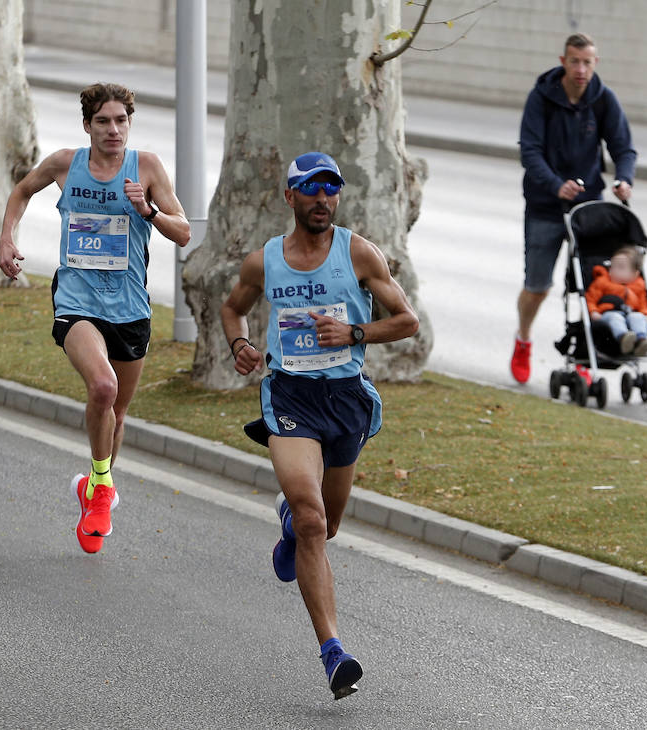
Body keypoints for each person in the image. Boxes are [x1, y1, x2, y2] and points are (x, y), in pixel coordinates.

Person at [220, 151, 419, 700]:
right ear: (290, 197)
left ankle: (292, 526)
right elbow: (232, 307)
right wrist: (240, 344)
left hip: (346, 399)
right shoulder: (264, 262)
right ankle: (334, 651)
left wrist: (353, 334)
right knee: (313, 521)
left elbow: (407, 321)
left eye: (331, 189)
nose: (323, 199)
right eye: (311, 189)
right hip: (290, 398)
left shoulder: (358, 253)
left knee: (325, 526)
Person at [0, 83, 191, 554]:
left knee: (118, 413)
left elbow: (183, 231)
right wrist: (6, 238)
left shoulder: (146, 168)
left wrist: (147, 210)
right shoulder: (66, 164)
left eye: (121, 120)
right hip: (77, 304)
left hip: (130, 308)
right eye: (103, 121)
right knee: (102, 389)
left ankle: (93, 487)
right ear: (87, 125)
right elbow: (22, 191)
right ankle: (102, 487)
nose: (113, 129)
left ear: (130, 124)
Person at [511, 32, 637, 383]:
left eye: (588, 62)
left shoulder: (603, 100)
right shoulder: (542, 98)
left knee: (589, 285)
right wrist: (556, 185)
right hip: (545, 205)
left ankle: (583, 354)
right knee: (537, 285)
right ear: (563, 61)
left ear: (595, 63)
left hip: (589, 210)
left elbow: (623, 148)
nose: (581, 69)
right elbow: (530, 152)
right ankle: (523, 339)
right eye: (575, 61)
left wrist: (624, 178)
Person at [586, 245, 647, 356]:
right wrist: (593, 311)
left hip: (630, 314)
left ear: (635, 273)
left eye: (621, 268)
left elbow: (643, 304)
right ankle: (624, 338)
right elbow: (590, 299)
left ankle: (641, 341)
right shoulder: (602, 281)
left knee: (638, 317)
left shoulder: (639, 285)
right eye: (612, 267)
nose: (614, 271)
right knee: (615, 317)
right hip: (608, 314)